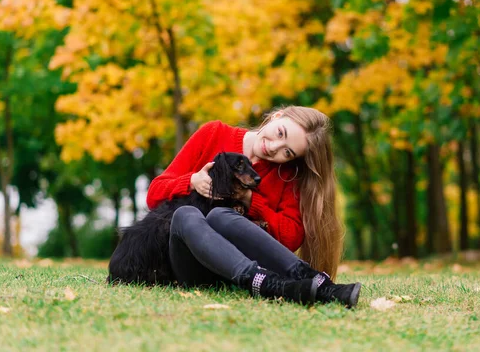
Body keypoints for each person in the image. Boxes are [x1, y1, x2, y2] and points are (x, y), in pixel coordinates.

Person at [146, 106, 361, 307]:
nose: (274, 147)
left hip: (233, 273)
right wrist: (192, 181)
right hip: (191, 266)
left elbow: (291, 236)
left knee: (221, 216)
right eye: (280, 133)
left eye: (288, 152)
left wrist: (251, 200)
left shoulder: (285, 174)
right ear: (276, 117)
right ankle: (261, 281)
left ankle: (317, 283)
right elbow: (154, 194)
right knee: (186, 215)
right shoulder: (214, 134)